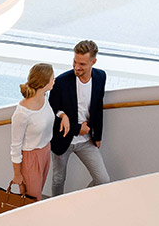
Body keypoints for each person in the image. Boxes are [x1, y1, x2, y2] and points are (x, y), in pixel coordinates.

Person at [49, 39, 111, 195]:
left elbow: (98, 107)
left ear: (93, 62)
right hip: (63, 139)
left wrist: (98, 136)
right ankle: (56, 209)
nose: (77, 67)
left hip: (87, 140)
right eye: (75, 62)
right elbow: (52, 109)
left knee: (103, 180)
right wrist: (77, 128)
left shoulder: (100, 77)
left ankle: (77, 202)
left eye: (82, 64)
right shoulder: (61, 82)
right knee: (58, 179)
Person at [9, 63, 57, 200]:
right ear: (44, 82)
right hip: (31, 158)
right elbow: (15, 147)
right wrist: (17, 174)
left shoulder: (44, 98)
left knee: (37, 195)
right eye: (52, 78)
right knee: (33, 199)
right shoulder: (22, 113)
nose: (54, 80)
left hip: (46, 151)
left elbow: (46, 118)